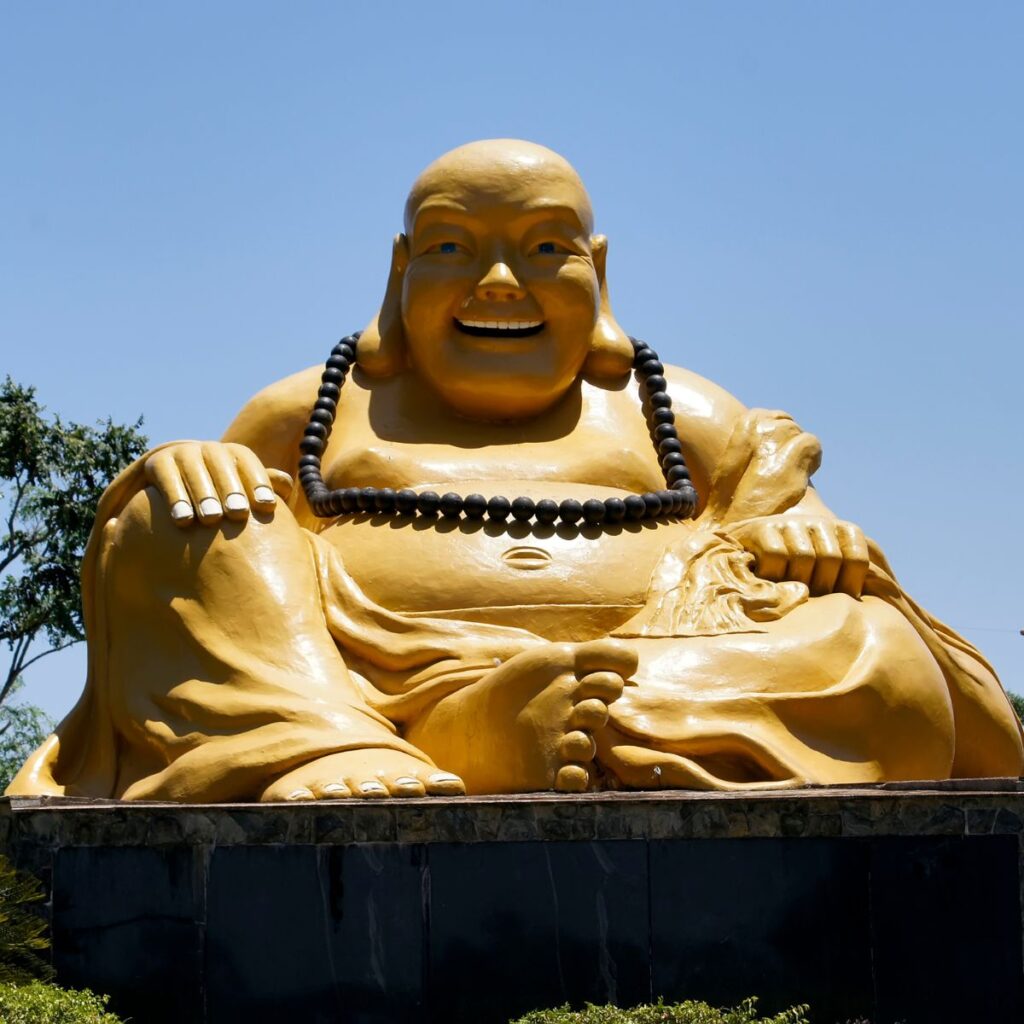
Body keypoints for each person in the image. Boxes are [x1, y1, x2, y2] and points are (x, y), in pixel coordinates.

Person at [9, 140, 1022, 802]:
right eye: (454, 247)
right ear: (400, 271)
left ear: (599, 271)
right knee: (169, 513)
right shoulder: (313, 411)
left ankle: (509, 738)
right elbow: (209, 581)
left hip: (643, 677)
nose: (501, 284)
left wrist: (802, 534)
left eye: (545, 250)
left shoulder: (680, 412)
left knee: (873, 647)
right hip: (359, 687)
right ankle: (351, 745)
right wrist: (193, 466)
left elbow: (795, 523)